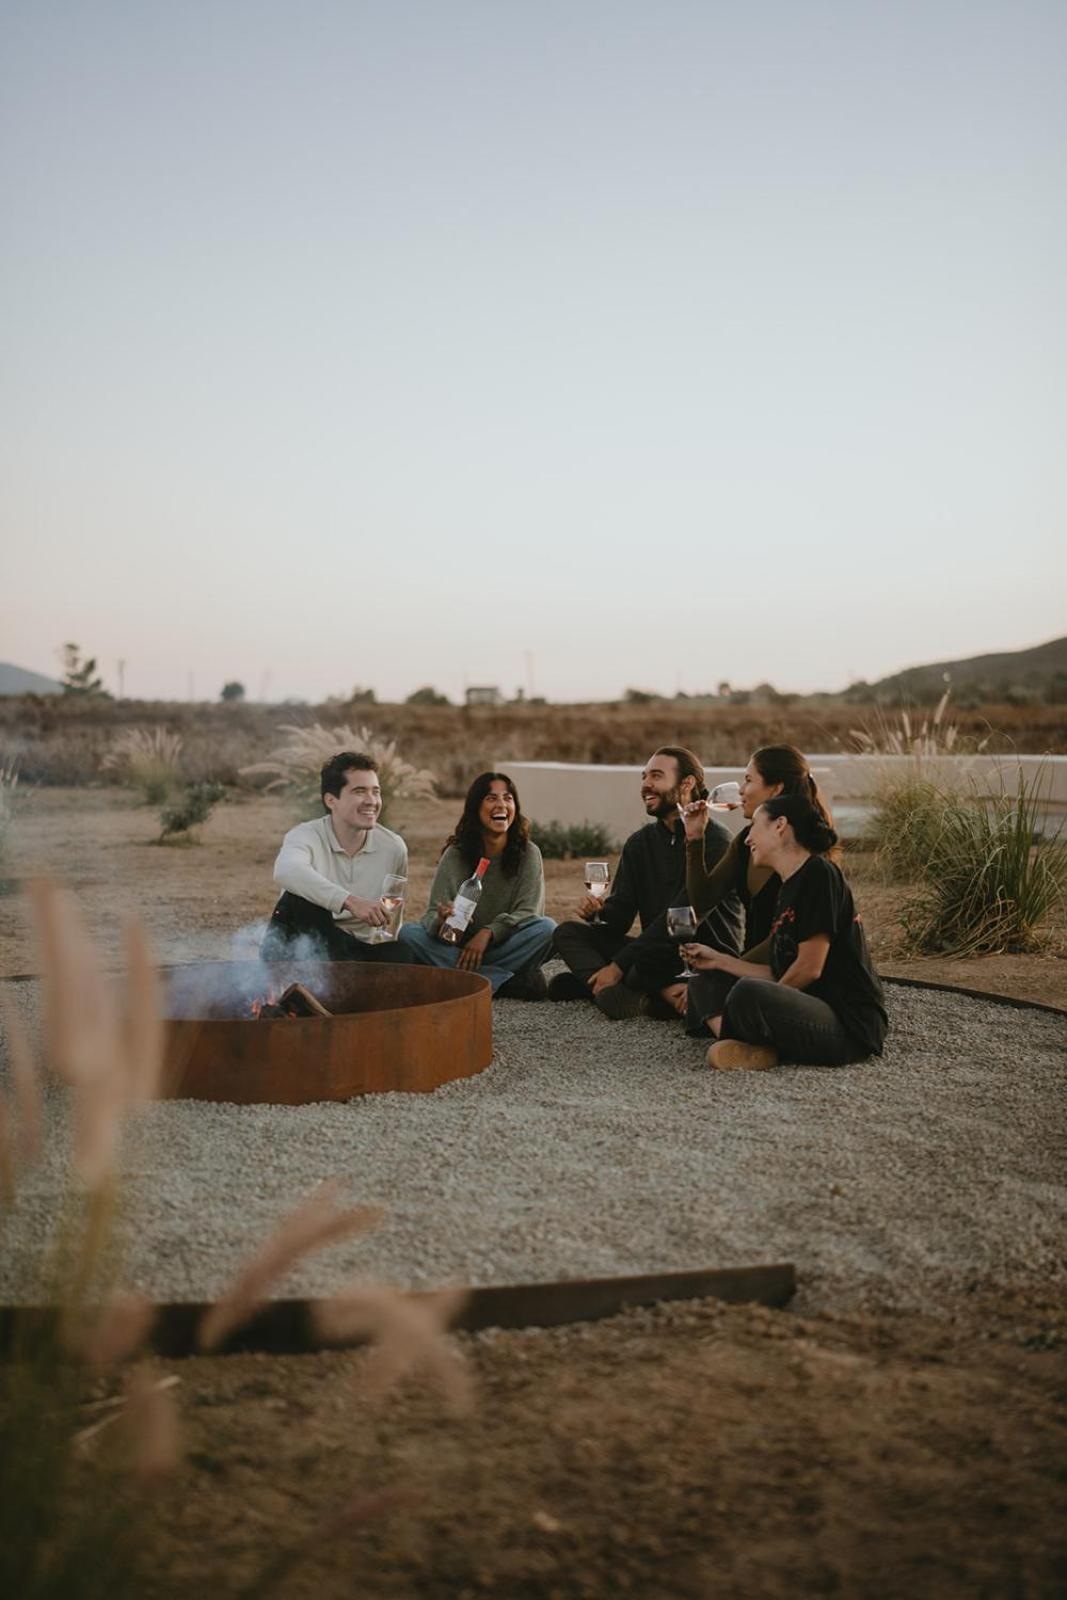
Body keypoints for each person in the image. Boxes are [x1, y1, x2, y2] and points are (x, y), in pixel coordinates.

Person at [682, 794, 888, 1070]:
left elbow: (809, 968)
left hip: (847, 1026)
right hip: (804, 1007)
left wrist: (764, 1004)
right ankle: (751, 1046)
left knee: (747, 992)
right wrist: (719, 961)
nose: (747, 839)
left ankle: (746, 1041)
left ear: (780, 825)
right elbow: (779, 973)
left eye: (754, 826)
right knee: (704, 976)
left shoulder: (819, 874)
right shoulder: (787, 887)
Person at [550, 747, 743, 1020]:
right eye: (644, 777)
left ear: (686, 784)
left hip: (701, 955)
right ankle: (651, 993)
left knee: (641, 963)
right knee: (567, 933)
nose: (646, 785)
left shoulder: (715, 841)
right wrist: (599, 914)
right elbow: (620, 919)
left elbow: (682, 914)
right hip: (655, 951)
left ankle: (633, 990)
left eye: (656, 776)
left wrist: (618, 966)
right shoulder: (639, 843)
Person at [682, 745, 836, 1034]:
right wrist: (694, 839)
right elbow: (701, 901)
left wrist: (730, 966)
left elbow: (790, 938)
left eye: (749, 780)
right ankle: (734, 1033)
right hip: (754, 969)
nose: (741, 790)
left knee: (721, 988)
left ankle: (734, 1033)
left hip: (789, 971)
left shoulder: (808, 858)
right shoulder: (747, 842)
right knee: (702, 981)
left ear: (776, 789)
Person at [398, 771, 555, 998]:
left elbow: (529, 912)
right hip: (458, 950)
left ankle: (465, 979)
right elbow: (431, 915)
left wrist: (488, 932)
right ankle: (505, 981)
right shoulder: (456, 854)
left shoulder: (529, 853)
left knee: (547, 929)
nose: (501, 805)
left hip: (505, 946)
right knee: (409, 934)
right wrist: (441, 921)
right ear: (475, 808)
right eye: (491, 798)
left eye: (508, 798)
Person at [261, 750, 414, 963]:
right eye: (360, 791)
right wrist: (350, 901)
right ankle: (335, 975)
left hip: (353, 950)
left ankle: (346, 975)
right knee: (299, 900)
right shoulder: (305, 835)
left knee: (403, 952)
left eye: (376, 791)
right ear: (331, 800)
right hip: (304, 947)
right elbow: (286, 871)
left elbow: (392, 918)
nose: (372, 801)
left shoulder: (393, 847)